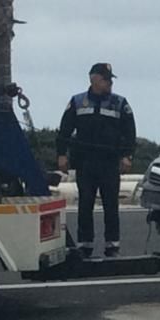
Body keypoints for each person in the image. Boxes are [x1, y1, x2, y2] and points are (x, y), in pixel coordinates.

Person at [56, 63, 136, 258]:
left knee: (111, 204)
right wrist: (61, 154)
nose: (110, 83)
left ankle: (112, 245)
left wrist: (127, 156)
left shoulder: (119, 103)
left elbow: (129, 132)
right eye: (106, 79)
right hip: (85, 162)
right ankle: (85, 244)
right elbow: (65, 130)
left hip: (109, 162)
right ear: (94, 79)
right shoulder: (77, 102)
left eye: (110, 80)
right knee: (85, 204)